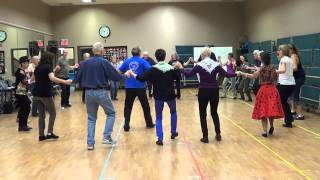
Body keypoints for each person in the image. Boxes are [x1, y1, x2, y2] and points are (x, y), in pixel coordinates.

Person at [75, 42, 125, 150]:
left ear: (93, 51)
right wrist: (125, 75)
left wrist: (69, 81)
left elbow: (77, 78)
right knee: (111, 113)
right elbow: (116, 77)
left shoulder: (84, 63)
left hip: (88, 93)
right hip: (101, 92)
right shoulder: (104, 62)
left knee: (91, 118)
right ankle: (106, 137)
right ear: (102, 51)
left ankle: (90, 143)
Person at [180, 47, 236, 143]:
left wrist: (180, 68)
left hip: (203, 91)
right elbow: (227, 74)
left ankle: (205, 137)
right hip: (214, 91)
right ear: (210, 55)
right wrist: (237, 74)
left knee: (203, 114)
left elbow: (188, 74)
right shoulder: (216, 64)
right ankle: (218, 134)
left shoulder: (199, 65)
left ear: (202, 55)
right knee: (214, 113)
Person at [130, 49, 179, 145]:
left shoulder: (152, 69)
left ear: (156, 57)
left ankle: (160, 139)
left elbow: (142, 79)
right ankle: (173, 133)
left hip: (158, 96)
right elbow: (177, 78)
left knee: (159, 117)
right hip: (170, 95)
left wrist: (133, 74)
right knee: (173, 112)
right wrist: (178, 68)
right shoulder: (170, 68)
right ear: (165, 56)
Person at [236, 52, 284, 137]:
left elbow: (253, 76)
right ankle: (272, 126)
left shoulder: (261, 68)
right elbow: (276, 79)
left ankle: (265, 131)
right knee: (270, 110)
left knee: (263, 111)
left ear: (262, 59)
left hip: (264, 91)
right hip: (273, 90)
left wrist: (242, 73)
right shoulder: (273, 67)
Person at [33, 52, 72, 141]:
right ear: (49, 59)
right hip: (45, 94)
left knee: (41, 115)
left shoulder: (38, 67)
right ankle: (49, 133)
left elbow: (33, 79)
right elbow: (52, 78)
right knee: (52, 113)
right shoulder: (48, 67)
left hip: (36, 94)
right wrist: (65, 82)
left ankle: (41, 135)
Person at [118, 47, 155, 132]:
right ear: (139, 53)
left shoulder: (127, 61)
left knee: (128, 107)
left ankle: (126, 126)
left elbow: (119, 71)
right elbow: (150, 70)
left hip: (129, 87)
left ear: (132, 53)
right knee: (145, 106)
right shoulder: (143, 61)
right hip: (140, 87)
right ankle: (149, 123)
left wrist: (126, 73)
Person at [276, 44, 296, 128]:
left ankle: (289, 120)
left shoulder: (283, 59)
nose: (278, 52)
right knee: (283, 102)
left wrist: (274, 71)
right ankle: (289, 119)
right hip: (291, 84)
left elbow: (283, 70)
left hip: (285, 84)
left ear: (283, 51)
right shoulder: (289, 59)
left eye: (279, 50)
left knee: (283, 102)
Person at [289, 44, 306, 120]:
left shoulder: (293, 56)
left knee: (296, 96)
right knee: (293, 94)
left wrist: (287, 71)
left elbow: (295, 68)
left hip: (298, 77)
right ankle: (293, 111)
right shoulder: (293, 55)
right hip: (297, 77)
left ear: (291, 49)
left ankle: (300, 115)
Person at [15, 56, 32, 132]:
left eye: (28, 62)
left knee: (26, 107)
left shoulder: (23, 71)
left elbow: (26, 81)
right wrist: (31, 80)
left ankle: (23, 125)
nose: (28, 64)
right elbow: (24, 82)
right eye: (26, 63)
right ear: (22, 63)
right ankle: (22, 126)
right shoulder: (20, 72)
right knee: (25, 108)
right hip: (19, 92)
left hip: (23, 92)